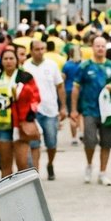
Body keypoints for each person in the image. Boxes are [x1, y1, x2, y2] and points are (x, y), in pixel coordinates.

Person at [71, 36, 111, 186]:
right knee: (90, 141)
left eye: (103, 46)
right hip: (89, 109)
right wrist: (74, 109)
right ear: (92, 48)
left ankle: (103, 172)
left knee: (107, 143)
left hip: (108, 111)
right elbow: (75, 88)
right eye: (97, 46)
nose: (100, 48)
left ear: (106, 48)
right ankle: (89, 165)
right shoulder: (84, 66)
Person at [0, 48, 40, 177]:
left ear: (16, 61)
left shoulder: (26, 77)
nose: (8, 61)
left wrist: (29, 114)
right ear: (1, 61)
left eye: (11, 58)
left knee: (22, 163)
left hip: (21, 125)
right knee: (5, 164)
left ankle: (24, 193)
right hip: (1, 126)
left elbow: (36, 98)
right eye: (5, 59)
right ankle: (6, 194)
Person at [23, 40, 67, 180]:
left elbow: (59, 86)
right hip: (32, 111)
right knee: (34, 144)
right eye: (37, 49)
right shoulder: (25, 67)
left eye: (42, 49)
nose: (40, 52)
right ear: (31, 50)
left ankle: (50, 163)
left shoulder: (51, 65)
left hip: (50, 109)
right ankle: (35, 173)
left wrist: (63, 106)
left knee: (51, 142)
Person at [61, 46, 83, 146]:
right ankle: (82, 132)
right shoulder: (83, 65)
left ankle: (74, 137)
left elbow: (63, 80)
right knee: (82, 114)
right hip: (82, 90)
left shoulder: (66, 65)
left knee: (72, 114)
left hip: (69, 90)